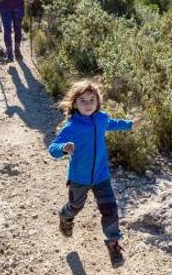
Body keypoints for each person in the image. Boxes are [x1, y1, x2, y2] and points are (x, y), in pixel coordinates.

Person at [48, 80, 135, 267]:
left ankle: (113, 243)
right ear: (74, 104)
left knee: (110, 209)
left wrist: (129, 124)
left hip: (101, 176)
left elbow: (112, 123)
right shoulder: (72, 126)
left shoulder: (101, 119)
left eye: (92, 99)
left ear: (98, 101)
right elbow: (53, 147)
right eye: (82, 101)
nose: (88, 104)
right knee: (75, 206)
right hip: (79, 178)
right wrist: (63, 148)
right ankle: (65, 216)